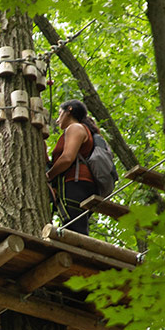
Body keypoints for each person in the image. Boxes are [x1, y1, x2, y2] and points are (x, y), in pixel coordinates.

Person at [46, 99, 99, 235]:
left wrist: (49, 176)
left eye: (60, 114)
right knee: (74, 226)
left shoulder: (75, 128)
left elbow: (67, 158)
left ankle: (81, 249)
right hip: (79, 184)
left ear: (69, 110)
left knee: (74, 228)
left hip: (75, 183)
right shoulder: (79, 129)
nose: (57, 120)